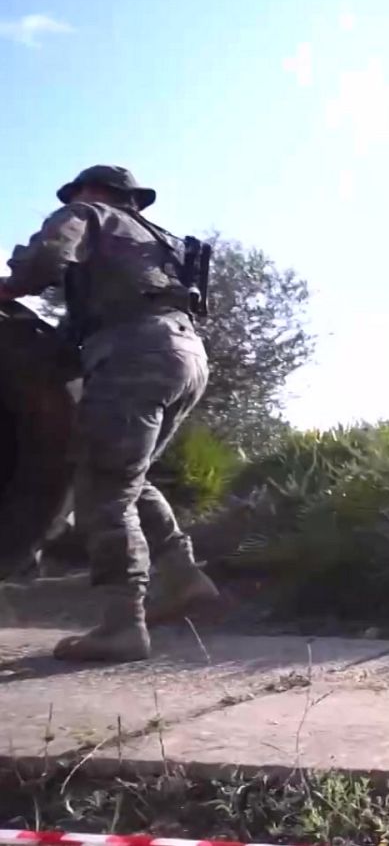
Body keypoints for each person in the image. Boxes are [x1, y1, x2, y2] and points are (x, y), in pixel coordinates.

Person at [0, 165, 220, 663]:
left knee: (103, 489)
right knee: (128, 477)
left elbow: (46, 260)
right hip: (185, 357)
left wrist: (8, 289)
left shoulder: (87, 213)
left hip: (132, 354)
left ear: (89, 191)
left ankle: (123, 625)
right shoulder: (159, 239)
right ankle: (184, 577)